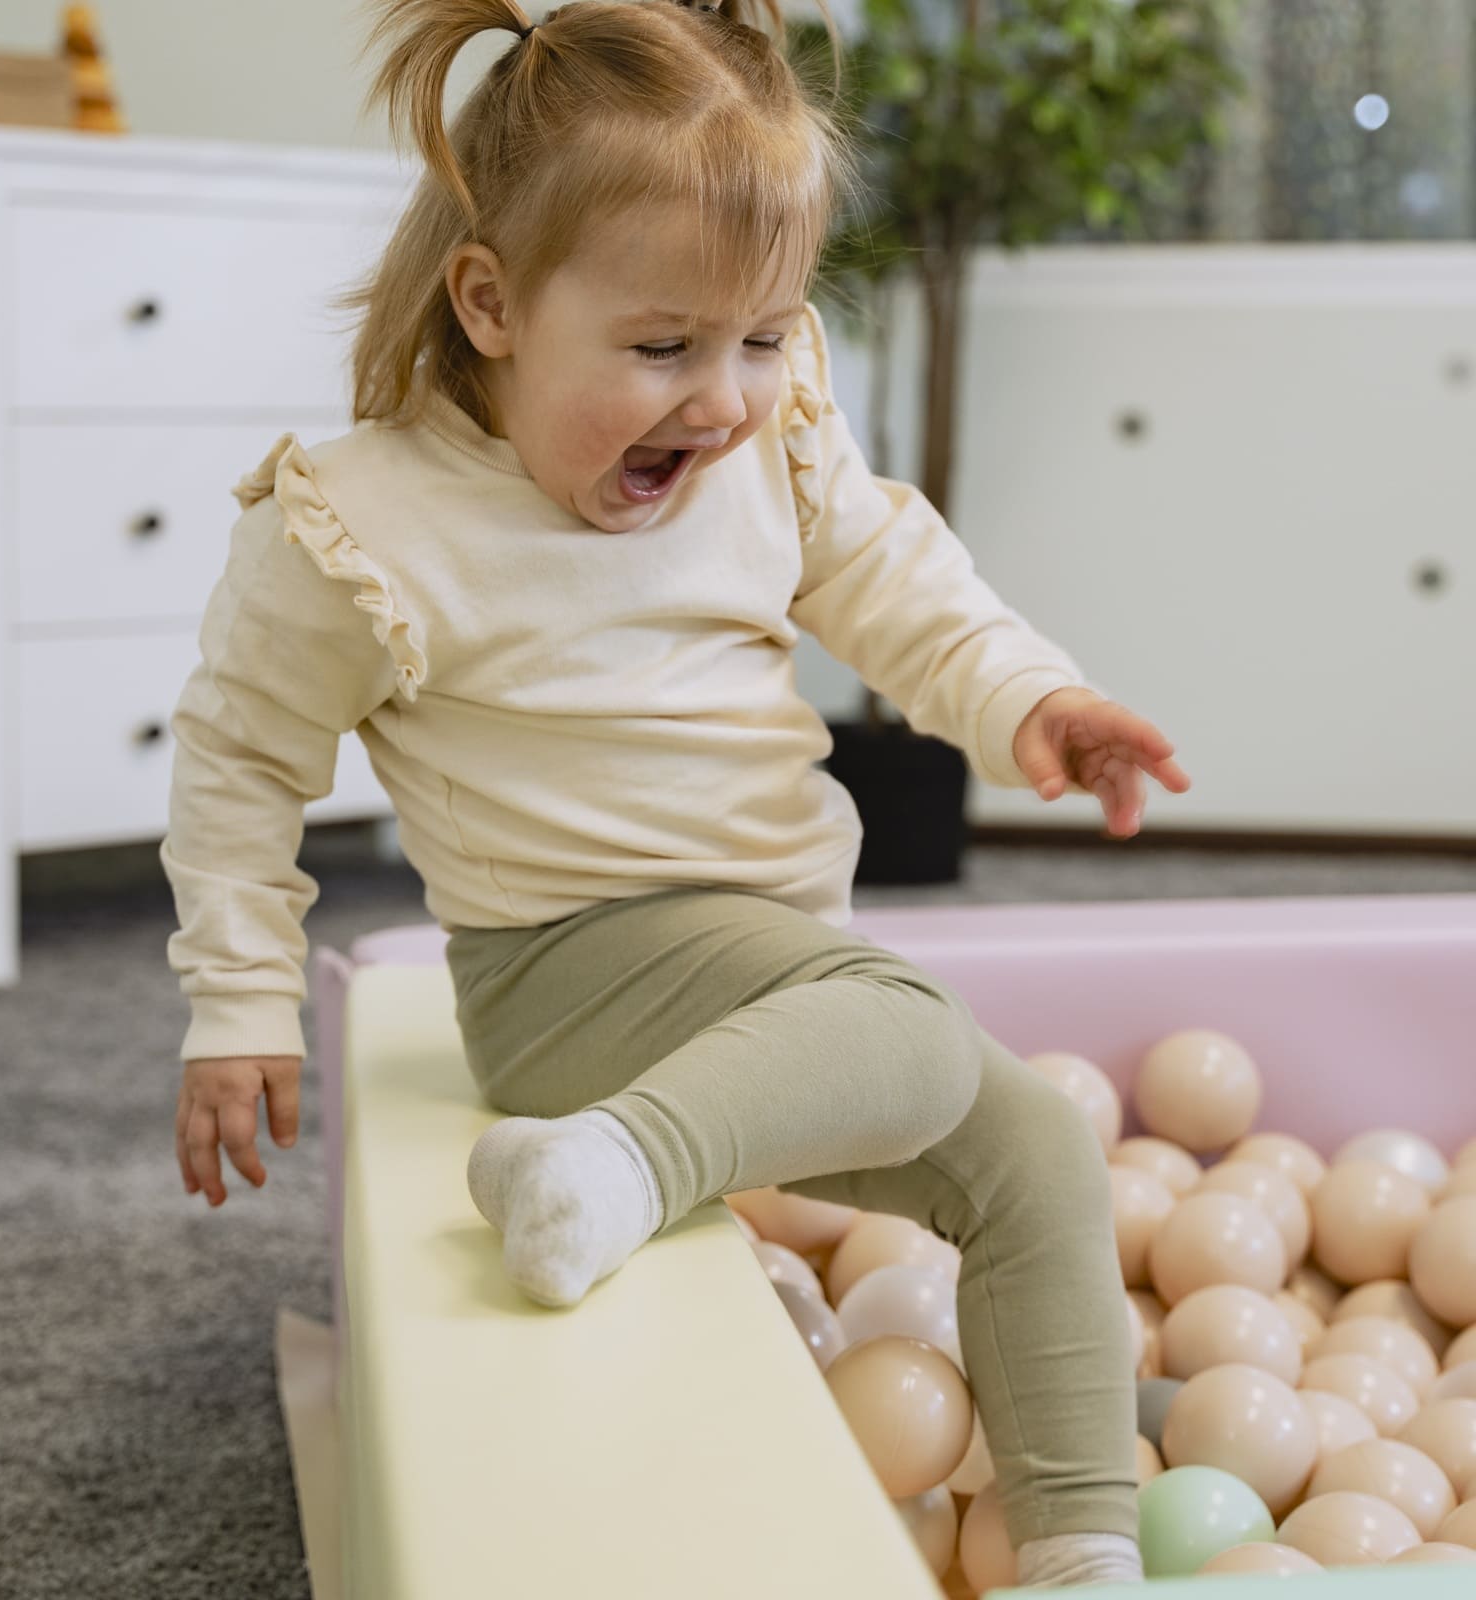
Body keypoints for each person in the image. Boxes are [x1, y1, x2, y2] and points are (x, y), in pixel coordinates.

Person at [161, 0, 1192, 1585]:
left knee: (1037, 1148)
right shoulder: (368, 525)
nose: (722, 398)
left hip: (772, 976)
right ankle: (605, 1163)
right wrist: (237, 1001)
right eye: (662, 349)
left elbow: (901, 581)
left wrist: (1030, 700)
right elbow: (239, 759)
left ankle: (1080, 1554)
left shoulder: (757, 451)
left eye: (764, 338)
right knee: (912, 1026)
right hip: (568, 972)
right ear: (492, 303)